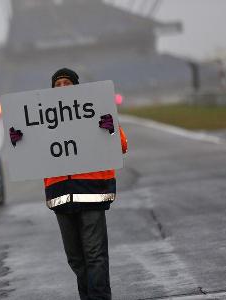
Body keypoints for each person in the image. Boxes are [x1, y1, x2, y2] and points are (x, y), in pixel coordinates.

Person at [46, 68, 128, 300]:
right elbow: (28, 155)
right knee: (75, 258)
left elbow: (120, 146)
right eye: (58, 84)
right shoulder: (42, 119)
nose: (62, 87)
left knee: (94, 254)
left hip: (92, 191)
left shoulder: (95, 111)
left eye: (67, 83)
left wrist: (110, 129)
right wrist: (18, 140)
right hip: (60, 194)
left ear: (77, 87)